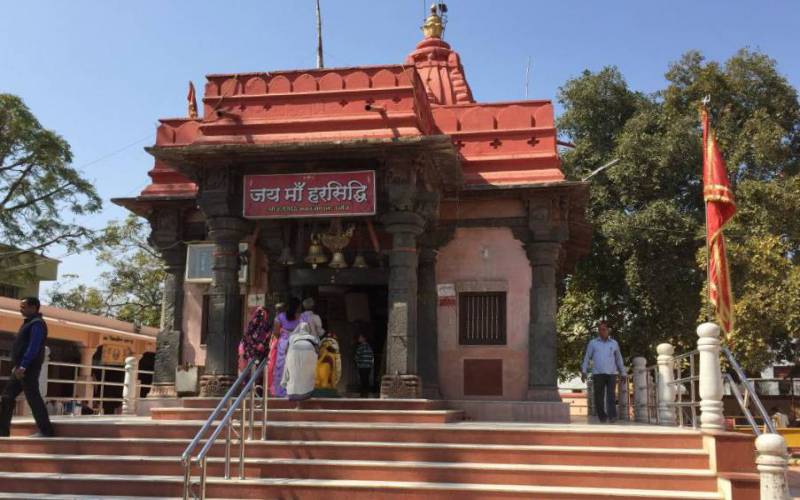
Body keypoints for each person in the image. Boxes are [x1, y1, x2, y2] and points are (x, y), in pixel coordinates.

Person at [0, 297, 55, 437]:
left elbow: (34, 347)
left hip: (27, 368)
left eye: (23, 306)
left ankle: (46, 431)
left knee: (33, 398)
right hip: (19, 368)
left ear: (33, 307)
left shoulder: (37, 324)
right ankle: (2, 431)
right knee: (7, 396)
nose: (21, 309)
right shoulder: (28, 323)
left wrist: (23, 366)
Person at [581, 321, 626, 423]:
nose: (602, 331)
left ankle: (612, 416)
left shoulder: (614, 343)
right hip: (598, 373)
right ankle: (602, 416)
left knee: (611, 395)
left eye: (604, 329)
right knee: (598, 397)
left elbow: (619, 359)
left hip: (612, 373)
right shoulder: (593, 343)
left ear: (608, 330)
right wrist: (584, 371)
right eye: (600, 329)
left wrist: (623, 373)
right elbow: (587, 357)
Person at [267, 298, 302, 397]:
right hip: (296, 343)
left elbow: (276, 333)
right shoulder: (301, 318)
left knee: (281, 367)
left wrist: (284, 332)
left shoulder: (280, 317)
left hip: (283, 344)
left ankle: (281, 391)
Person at [281, 322, 319, 405]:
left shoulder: (292, 337)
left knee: (294, 374)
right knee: (307, 374)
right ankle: (306, 393)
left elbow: (286, 351)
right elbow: (317, 351)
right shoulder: (312, 338)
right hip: (310, 353)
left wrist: (288, 362)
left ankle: (295, 394)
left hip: (294, 352)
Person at [354, 334, 375, 398]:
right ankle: (366, 392)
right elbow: (372, 357)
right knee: (366, 379)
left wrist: (358, 364)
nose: (359, 339)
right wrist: (370, 365)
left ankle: (363, 392)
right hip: (368, 366)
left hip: (362, 366)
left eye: (360, 337)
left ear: (364, 338)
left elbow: (356, 357)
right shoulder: (369, 347)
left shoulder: (360, 347)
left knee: (363, 379)